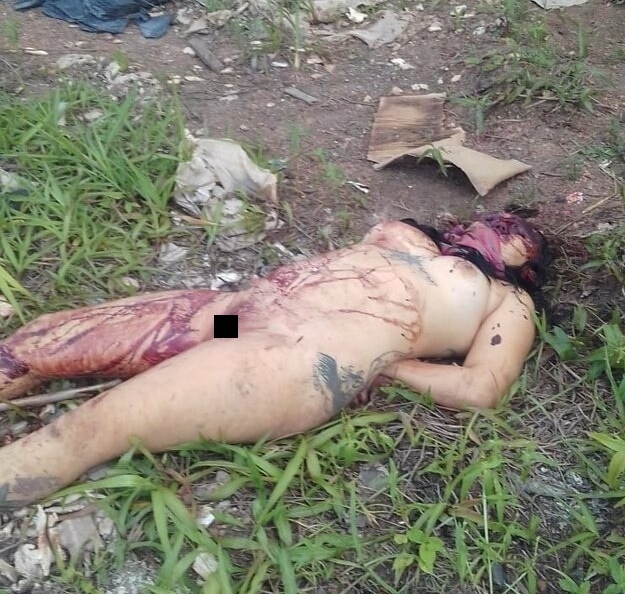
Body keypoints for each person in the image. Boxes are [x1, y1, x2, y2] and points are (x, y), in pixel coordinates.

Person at [0, 212, 550, 509]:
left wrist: (386, 366)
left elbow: (481, 387)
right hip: (239, 314)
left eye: (524, 234)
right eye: (503, 217)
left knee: (90, 428)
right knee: (38, 346)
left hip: (303, 352)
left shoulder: (509, 300)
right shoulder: (419, 241)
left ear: (529, 267)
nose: (507, 224)